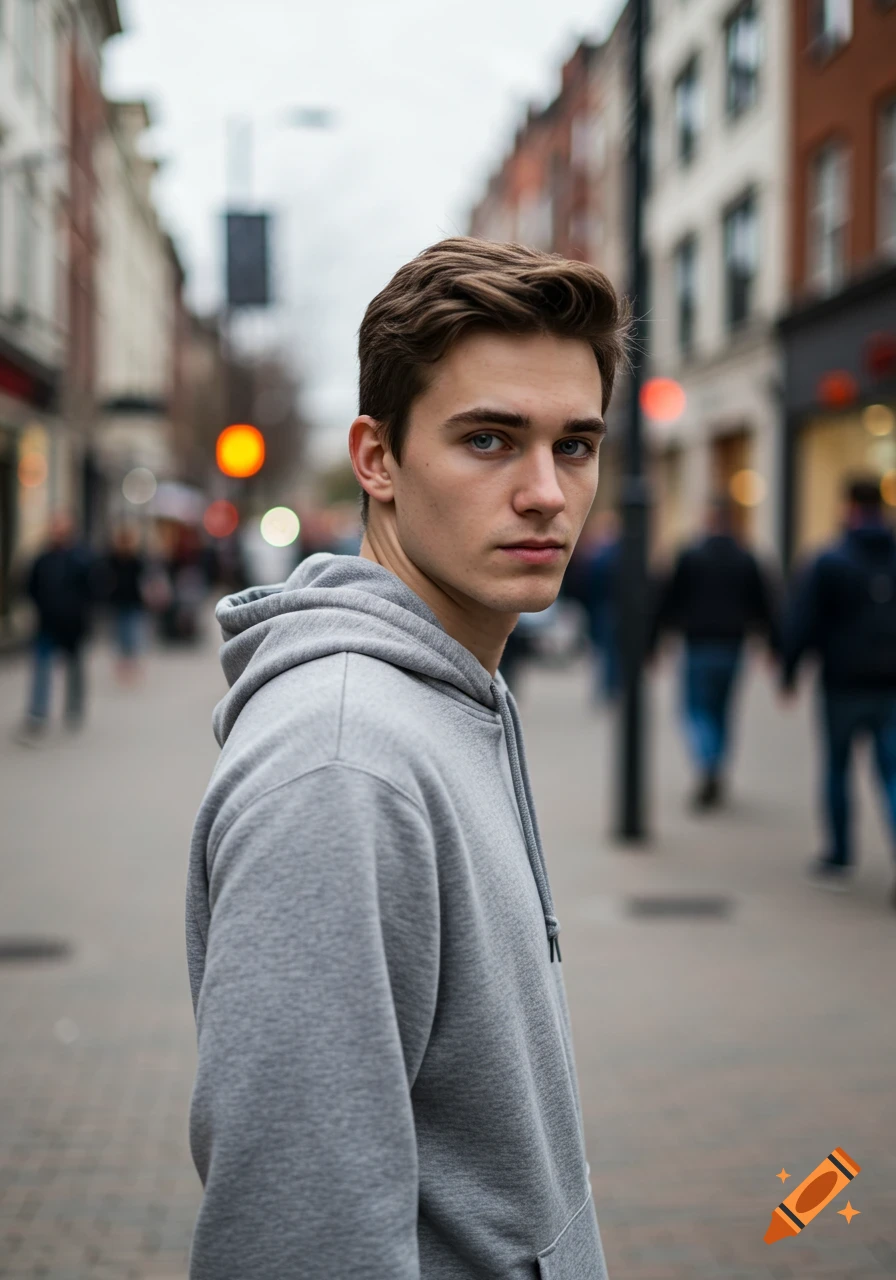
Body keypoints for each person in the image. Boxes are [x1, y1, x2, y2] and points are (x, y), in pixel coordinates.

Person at [186, 237, 627, 1279]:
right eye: (488, 439)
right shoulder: (345, 766)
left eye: (574, 444)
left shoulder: (445, 692)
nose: (546, 492)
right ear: (376, 457)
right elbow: (298, 1238)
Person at [782, 477, 896, 900]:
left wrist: (789, 671)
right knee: (893, 774)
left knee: (838, 769)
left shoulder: (830, 559)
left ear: (849, 506)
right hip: (890, 685)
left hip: (843, 683)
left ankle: (840, 856)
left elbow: (804, 619)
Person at [651, 499, 779, 810]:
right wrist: (776, 648)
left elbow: (667, 600)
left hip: (698, 645)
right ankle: (717, 763)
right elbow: (766, 605)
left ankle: (707, 762)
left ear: (709, 520)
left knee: (696, 709)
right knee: (722, 710)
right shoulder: (747, 557)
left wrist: (652, 642)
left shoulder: (691, 555)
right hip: (733, 647)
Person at [20, 513, 96, 738]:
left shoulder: (82, 558)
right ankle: (38, 713)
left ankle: (74, 710)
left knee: (75, 670)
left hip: (73, 625)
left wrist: (80, 613)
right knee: (42, 669)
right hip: (47, 623)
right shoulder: (42, 558)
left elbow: (92, 590)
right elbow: (30, 587)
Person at [103, 525, 147, 682]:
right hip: (118, 601)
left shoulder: (136, 560)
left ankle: (131, 663)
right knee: (121, 634)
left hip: (133, 602)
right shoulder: (113, 559)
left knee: (132, 634)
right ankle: (123, 664)